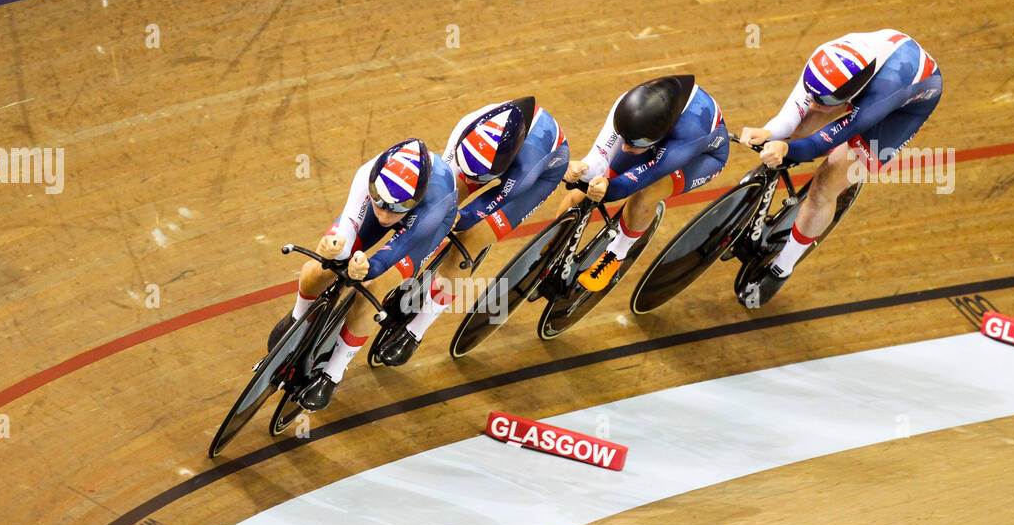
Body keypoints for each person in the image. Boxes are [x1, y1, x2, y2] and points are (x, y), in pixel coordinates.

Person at [736, 29, 943, 307]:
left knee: (825, 184)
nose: (811, 101)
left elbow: (823, 142)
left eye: (820, 100)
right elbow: (792, 114)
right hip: (872, 72)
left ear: (848, 99)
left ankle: (782, 267)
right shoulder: (826, 61)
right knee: (798, 128)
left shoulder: (877, 99)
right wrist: (769, 132)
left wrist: (789, 149)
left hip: (903, 104)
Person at [374, 96, 569, 366]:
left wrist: (462, 217)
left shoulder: (526, 169)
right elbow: (443, 196)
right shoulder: (466, 133)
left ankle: (415, 331)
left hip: (537, 173)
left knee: (470, 239)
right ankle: (411, 273)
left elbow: (489, 204)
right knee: (436, 208)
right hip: (483, 157)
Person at [268, 138, 458, 410]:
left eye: (393, 209)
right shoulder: (368, 175)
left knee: (373, 286)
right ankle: (298, 318)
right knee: (325, 264)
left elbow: (393, 253)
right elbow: (348, 225)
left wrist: (368, 267)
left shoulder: (435, 203)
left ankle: (332, 373)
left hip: (424, 228)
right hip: (394, 207)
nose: (383, 215)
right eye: (379, 204)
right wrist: (333, 250)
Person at [560, 75, 729, 291]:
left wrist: (608, 189)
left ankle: (616, 255)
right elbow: (599, 158)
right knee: (579, 194)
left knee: (644, 194)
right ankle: (548, 250)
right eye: (624, 138)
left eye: (633, 143)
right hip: (654, 137)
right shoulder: (628, 106)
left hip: (699, 156)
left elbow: (635, 181)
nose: (624, 148)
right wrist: (581, 169)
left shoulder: (690, 134)